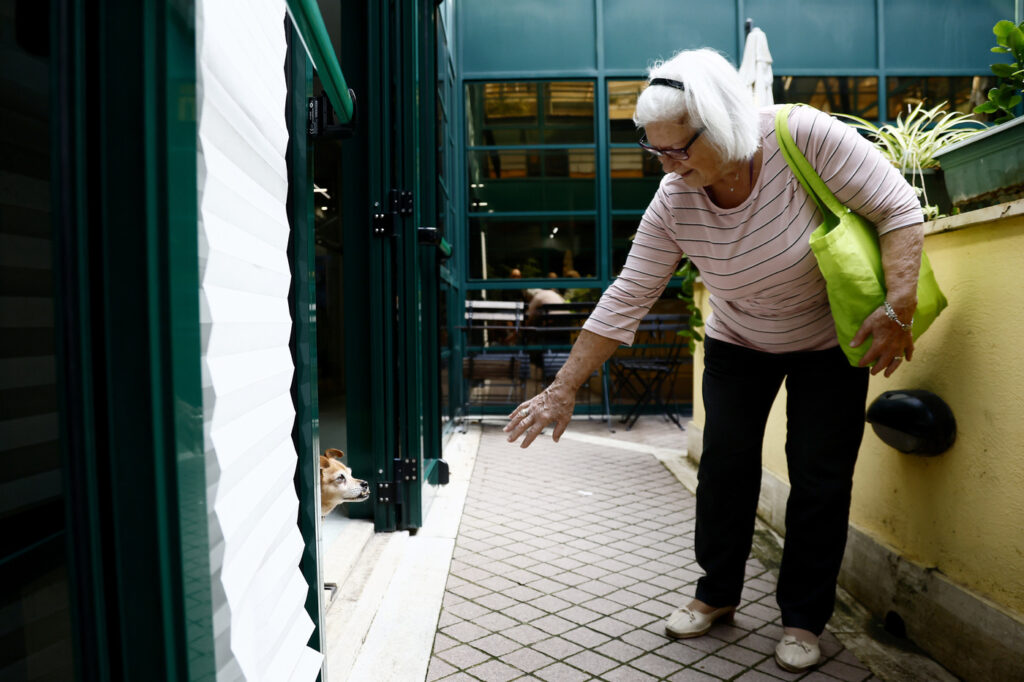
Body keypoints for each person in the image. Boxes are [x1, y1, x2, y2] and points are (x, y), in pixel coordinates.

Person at [504, 48, 923, 674]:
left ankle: (804, 618)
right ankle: (717, 593)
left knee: (819, 478)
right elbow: (627, 295)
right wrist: (561, 388)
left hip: (828, 342)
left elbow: (898, 208)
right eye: (657, 151)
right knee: (724, 469)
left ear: (725, 121)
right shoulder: (674, 200)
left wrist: (897, 308)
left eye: (679, 149)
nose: (669, 166)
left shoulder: (801, 135)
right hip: (738, 340)